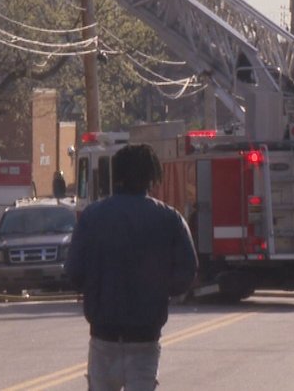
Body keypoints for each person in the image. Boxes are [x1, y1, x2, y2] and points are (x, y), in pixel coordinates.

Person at [65, 144, 197, 391]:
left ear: (116, 175)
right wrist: (159, 291)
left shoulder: (92, 217)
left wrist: (97, 290)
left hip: (103, 335)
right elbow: (187, 271)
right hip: (145, 336)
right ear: (150, 178)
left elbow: (74, 271)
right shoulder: (169, 218)